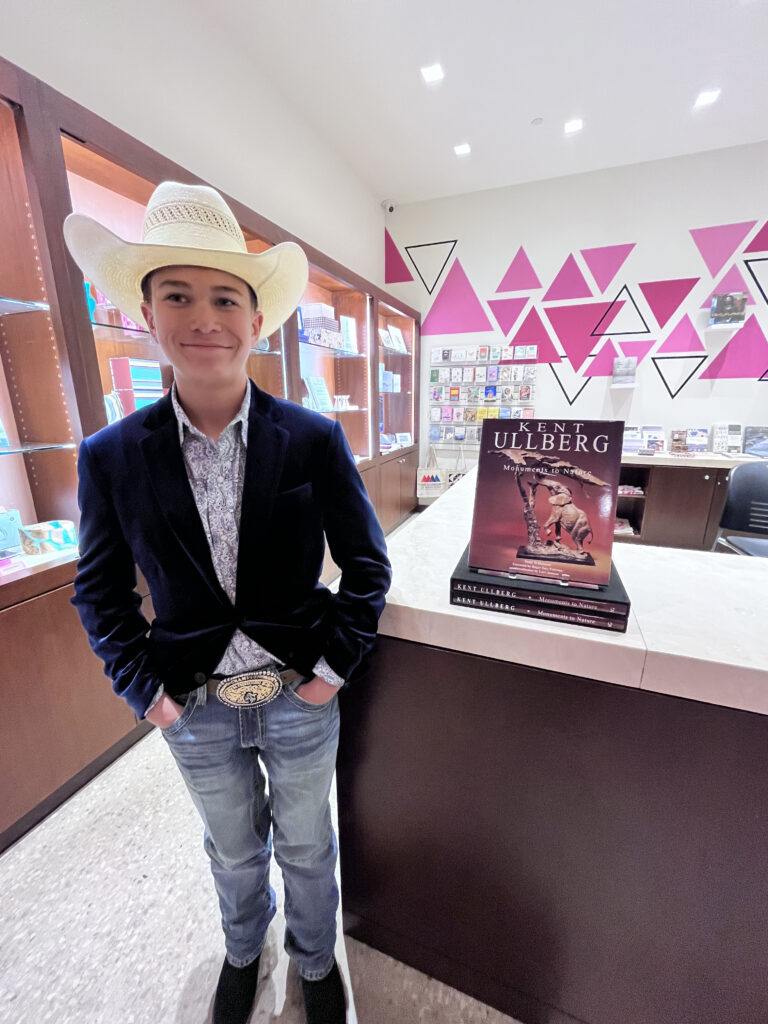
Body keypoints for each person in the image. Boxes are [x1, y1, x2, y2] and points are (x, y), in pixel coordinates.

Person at [63, 181, 391, 1024]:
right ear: (144, 311)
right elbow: (98, 590)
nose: (202, 316)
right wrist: (148, 692)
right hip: (196, 702)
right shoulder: (109, 456)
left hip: (298, 690)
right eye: (177, 294)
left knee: (310, 844)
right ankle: (245, 950)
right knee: (234, 850)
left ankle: (315, 961)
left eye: (224, 298)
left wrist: (329, 668)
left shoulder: (313, 438)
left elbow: (366, 566)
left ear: (256, 320)